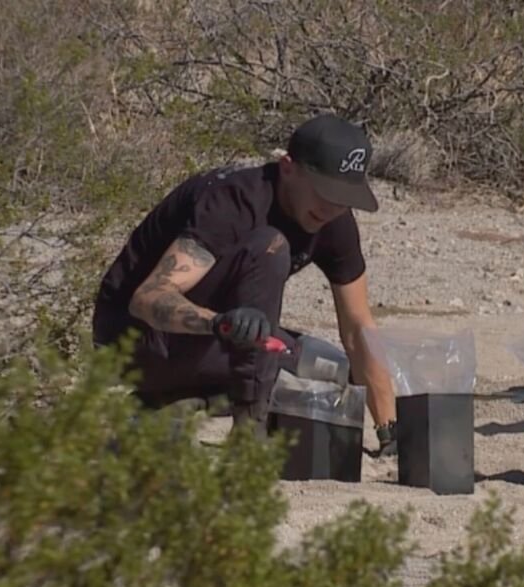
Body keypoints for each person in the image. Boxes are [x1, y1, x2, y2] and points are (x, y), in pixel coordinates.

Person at [92, 112, 398, 455]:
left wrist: (388, 428)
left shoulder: (332, 218)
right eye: (324, 192)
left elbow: (358, 328)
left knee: (325, 367)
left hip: (210, 339)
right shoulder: (233, 200)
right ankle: (249, 428)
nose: (332, 208)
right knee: (271, 247)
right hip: (133, 342)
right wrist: (221, 324)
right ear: (288, 168)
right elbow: (148, 298)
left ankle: (166, 406)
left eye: (344, 198)